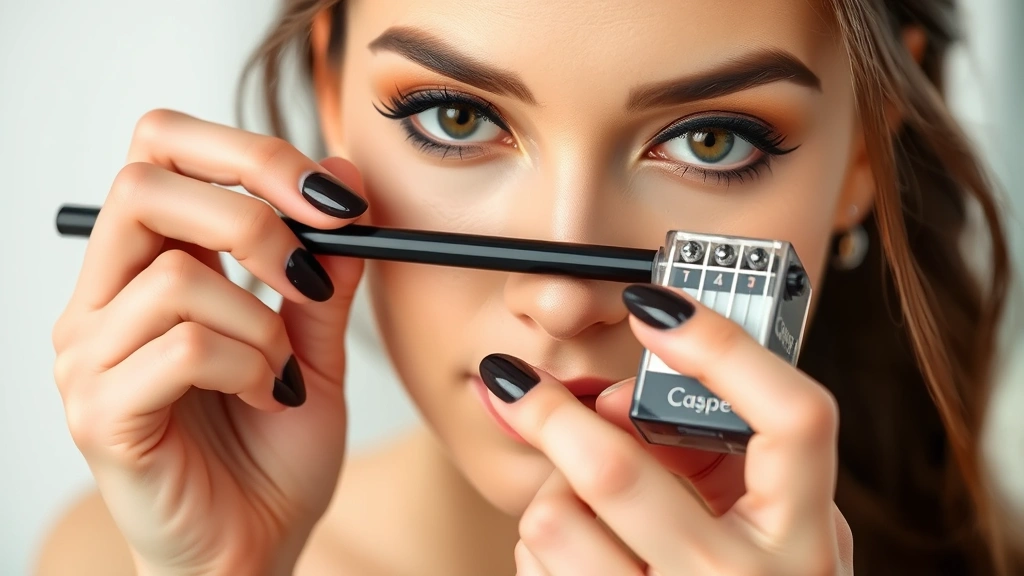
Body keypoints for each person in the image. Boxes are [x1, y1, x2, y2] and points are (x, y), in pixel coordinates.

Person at [36, 0, 1022, 574]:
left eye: (709, 141)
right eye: (455, 118)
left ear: (865, 147)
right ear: (330, 84)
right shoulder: (124, 556)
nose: (556, 303)